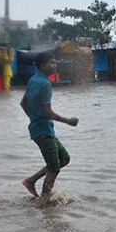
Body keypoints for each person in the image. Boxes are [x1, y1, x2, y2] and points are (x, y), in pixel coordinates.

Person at [20, 52, 79, 199]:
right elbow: (47, 112)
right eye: (52, 63)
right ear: (42, 65)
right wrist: (68, 121)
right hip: (43, 130)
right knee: (54, 167)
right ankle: (45, 202)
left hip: (41, 128)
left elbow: (23, 103)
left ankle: (31, 180)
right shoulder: (45, 84)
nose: (55, 65)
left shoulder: (33, 80)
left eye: (55, 62)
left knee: (64, 159)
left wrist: (33, 118)